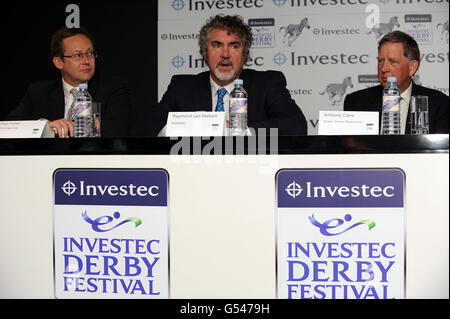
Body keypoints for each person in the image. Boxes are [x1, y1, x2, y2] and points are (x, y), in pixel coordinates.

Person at [140, 14, 307, 136]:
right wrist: (183, 126)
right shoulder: (182, 87)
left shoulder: (267, 83)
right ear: (205, 52)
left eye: (234, 46)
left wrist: (233, 130)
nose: (225, 54)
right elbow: (143, 129)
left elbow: (296, 125)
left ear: (245, 53)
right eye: (217, 45)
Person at [5, 27, 131, 137]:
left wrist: (84, 127)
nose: (87, 60)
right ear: (58, 62)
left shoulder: (113, 90)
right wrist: (44, 127)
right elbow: (9, 128)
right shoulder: (38, 93)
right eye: (78, 55)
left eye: (90, 53)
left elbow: (117, 131)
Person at [344, 31, 448, 134]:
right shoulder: (356, 102)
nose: (384, 68)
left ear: (412, 67)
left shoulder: (439, 104)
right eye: (381, 61)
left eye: (393, 62)